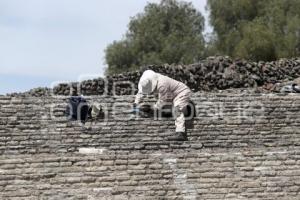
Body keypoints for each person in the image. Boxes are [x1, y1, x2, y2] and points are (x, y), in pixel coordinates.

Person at [133, 70, 192, 141]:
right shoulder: (148, 80)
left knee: (177, 109)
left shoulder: (162, 84)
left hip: (182, 92)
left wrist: (151, 108)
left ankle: (181, 133)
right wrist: (136, 103)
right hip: (171, 94)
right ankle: (185, 111)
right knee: (169, 110)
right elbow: (141, 91)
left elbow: (162, 101)